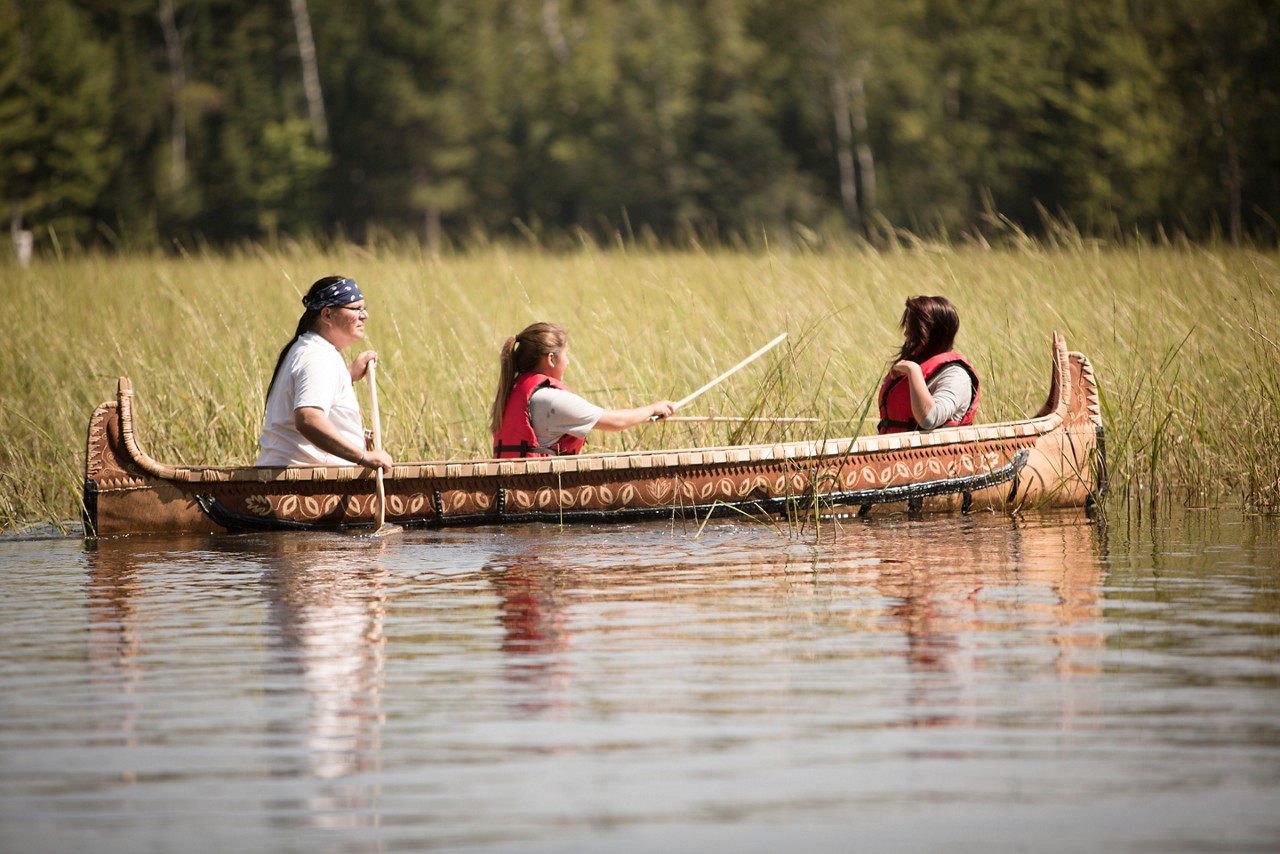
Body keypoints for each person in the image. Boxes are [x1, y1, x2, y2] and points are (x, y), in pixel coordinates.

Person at [256, 275, 394, 472]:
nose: (365, 316)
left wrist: (347, 376)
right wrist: (363, 457)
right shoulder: (318, 357)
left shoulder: (311, 348)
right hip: (303, 485)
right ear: (327, 315)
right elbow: (308, 419)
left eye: (364, 308)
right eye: (356, 309)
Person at [489, 322, 676, 458]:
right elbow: (616, 422)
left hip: (509, 489)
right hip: (539, 493)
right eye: (566, 355)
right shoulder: (550, 401)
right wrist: (652, 409)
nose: (568, 362)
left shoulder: (511, 392)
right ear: (551, 359)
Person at [877, 295, 980, 434]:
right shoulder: (916, 366)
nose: (906, 334)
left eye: (912, 329)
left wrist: (913, 370)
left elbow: (929, 419)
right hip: (900, 454)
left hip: (941, 455)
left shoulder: (956, 375)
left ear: (932, 334)